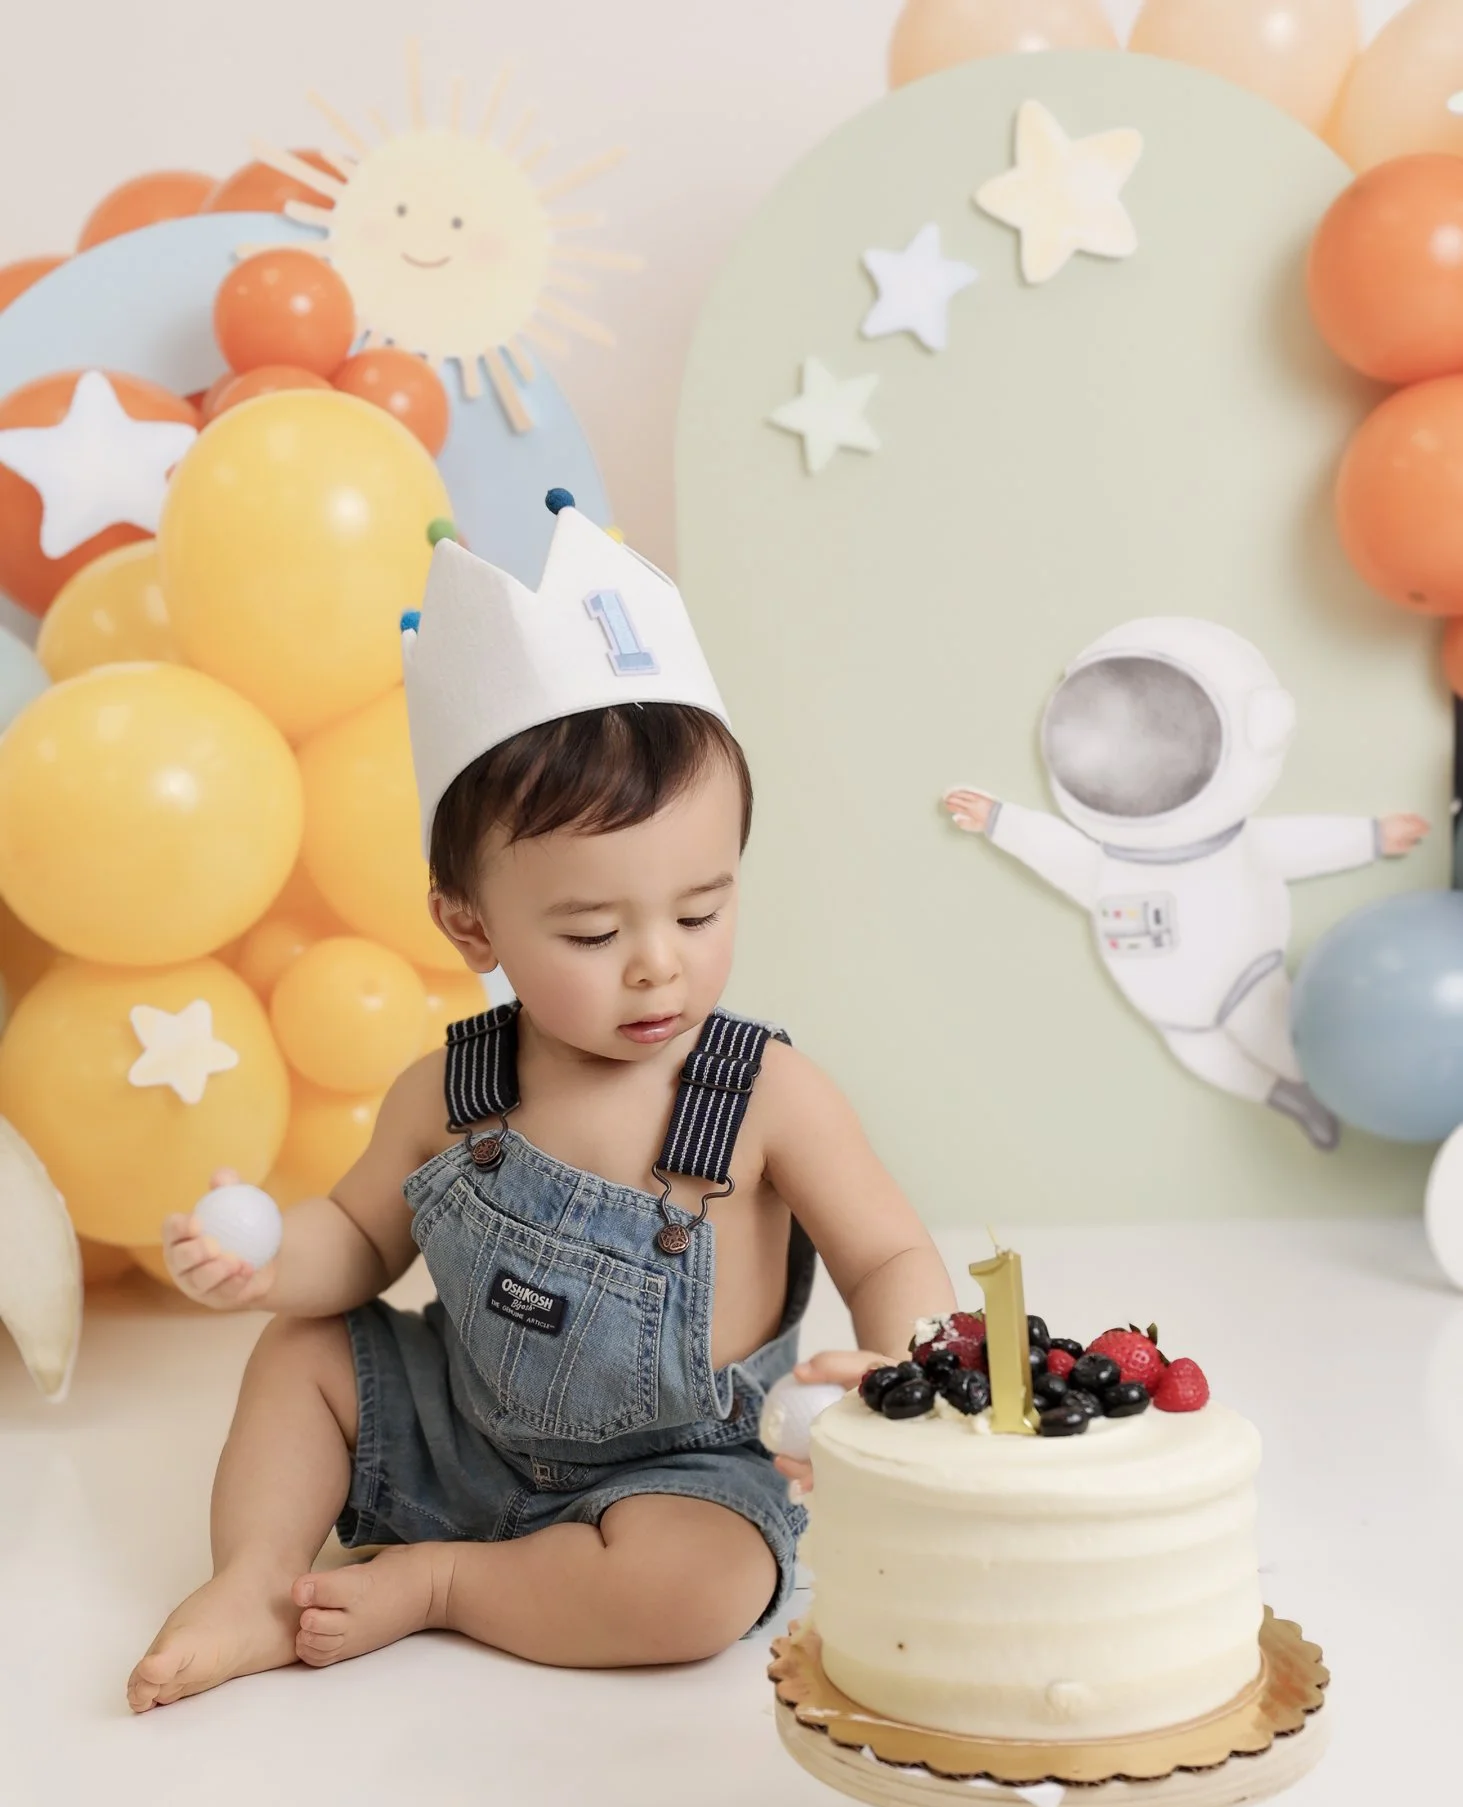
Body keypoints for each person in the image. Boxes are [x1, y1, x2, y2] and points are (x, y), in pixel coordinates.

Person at [127, 493, 952, 1713]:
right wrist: (261, 1261)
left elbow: (885, 1245)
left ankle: (448, 1583)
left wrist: (901, 1356)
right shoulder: (451, 1090)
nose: (656, 962)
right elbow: (354, 1242)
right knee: (302, 1353)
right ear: (472, 925)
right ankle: (255, 1578)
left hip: (679, 1469)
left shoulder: (765, 1091)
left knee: (704, 1587)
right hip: (463, 1424)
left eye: (699, 909)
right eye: (590, 928)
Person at [944, 615, 1428, 1150]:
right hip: (1171, 1014)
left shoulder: (1235, 848)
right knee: (1211, 1061)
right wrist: (998, 821)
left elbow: (1300, 843)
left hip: (1249, 984)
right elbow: (1054, 849)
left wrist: (1373, 837)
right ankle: (1291, 1100)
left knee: (1288, 1049)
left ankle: (1329, 1094)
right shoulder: (1108, 864)